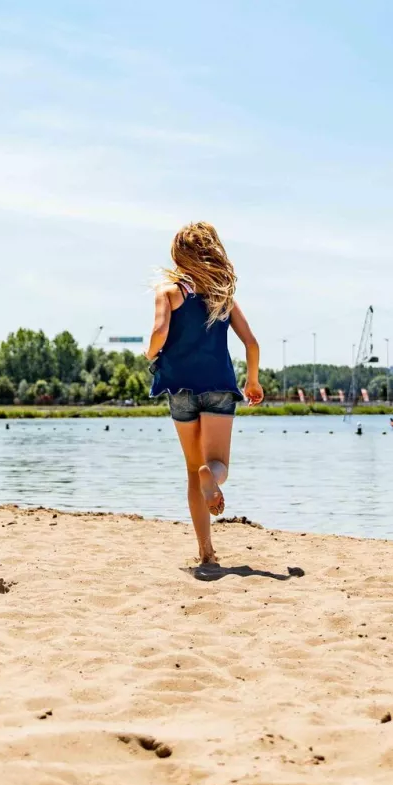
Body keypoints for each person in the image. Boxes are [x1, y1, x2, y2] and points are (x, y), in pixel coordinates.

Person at [145, 222, 264, 565]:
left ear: (178, 255)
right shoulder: (222, 296)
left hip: (179, 387)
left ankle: (206, 552)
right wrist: (252, 381)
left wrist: (150, 354)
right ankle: (213, 479)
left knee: (191, 468)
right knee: (218, 464)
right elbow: (252, 343)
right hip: (218, 387)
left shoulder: (168, 292)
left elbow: (158, 333)